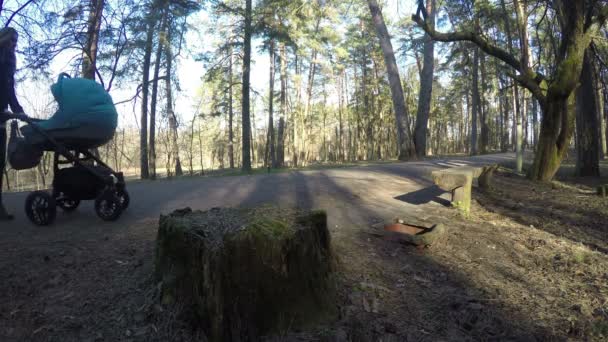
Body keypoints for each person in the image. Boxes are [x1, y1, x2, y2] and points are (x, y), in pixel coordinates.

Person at [0, 27, 25, 221]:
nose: (13, 44)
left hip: (1, 118)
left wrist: (18, 109)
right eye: (11, 40)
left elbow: (9, 89)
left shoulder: (8, 62)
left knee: (0, 163)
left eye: (16, 42)